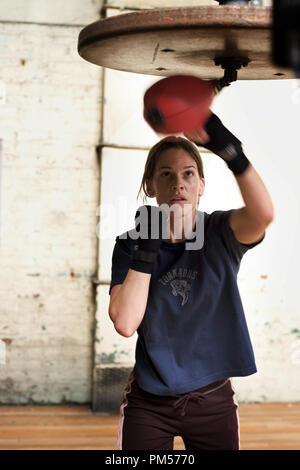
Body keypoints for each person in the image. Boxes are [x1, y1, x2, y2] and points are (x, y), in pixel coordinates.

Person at [108, 112, 274, 450]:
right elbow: (125, 323)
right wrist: (148, 246)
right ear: (150, 186)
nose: (178, 184)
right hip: (150, 401)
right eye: (166, 174)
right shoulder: (130, 244)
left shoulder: (218, 233)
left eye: (188, 174)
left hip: (212, 399)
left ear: (201, 185)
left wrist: (230, 151)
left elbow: (263, 215)